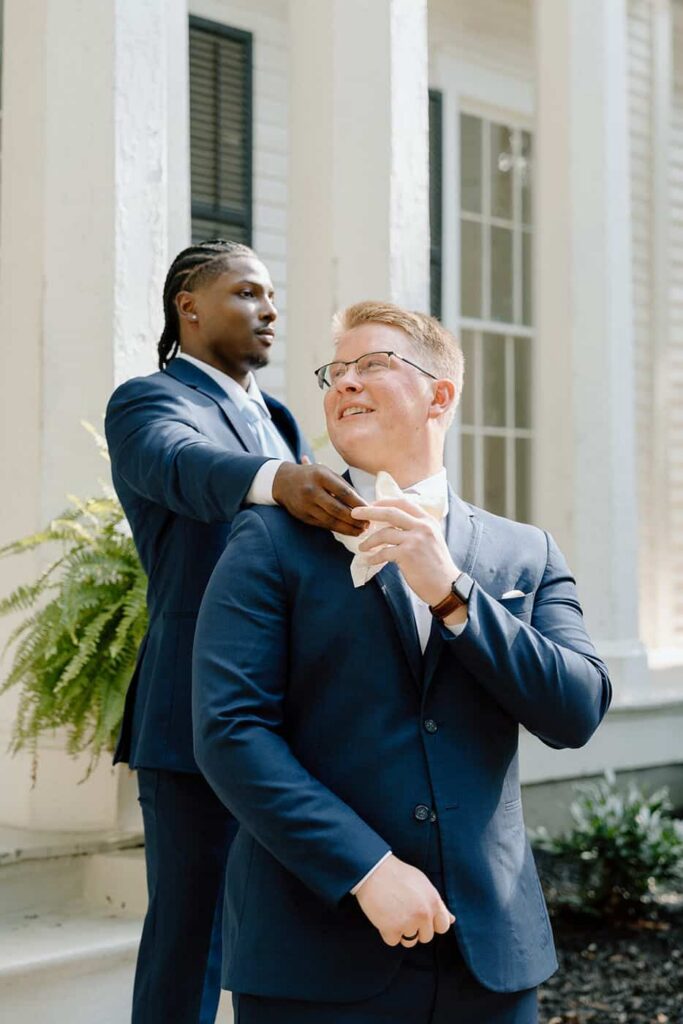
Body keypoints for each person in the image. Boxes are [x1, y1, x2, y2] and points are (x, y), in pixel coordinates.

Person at [192, 300, 613, 1024]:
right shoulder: (267, 539)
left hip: (490, 959)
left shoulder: (526, 552)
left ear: (439, 396)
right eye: (335, 371)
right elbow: (230, 731)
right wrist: (365, 869)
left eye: (373, 364)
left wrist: (452, 594)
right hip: (313, 956)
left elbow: (575, 711)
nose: (345, 382)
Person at [104, 239, 364, 1024]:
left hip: (296, 723)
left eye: (271, 295)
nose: (270, 310)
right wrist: (276, 480)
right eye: (247, 293)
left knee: (290, 934)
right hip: (195, 717)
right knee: (191, 942)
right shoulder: (149, 403)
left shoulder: (277, 416)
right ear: (188, 305)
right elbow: (179, 464)